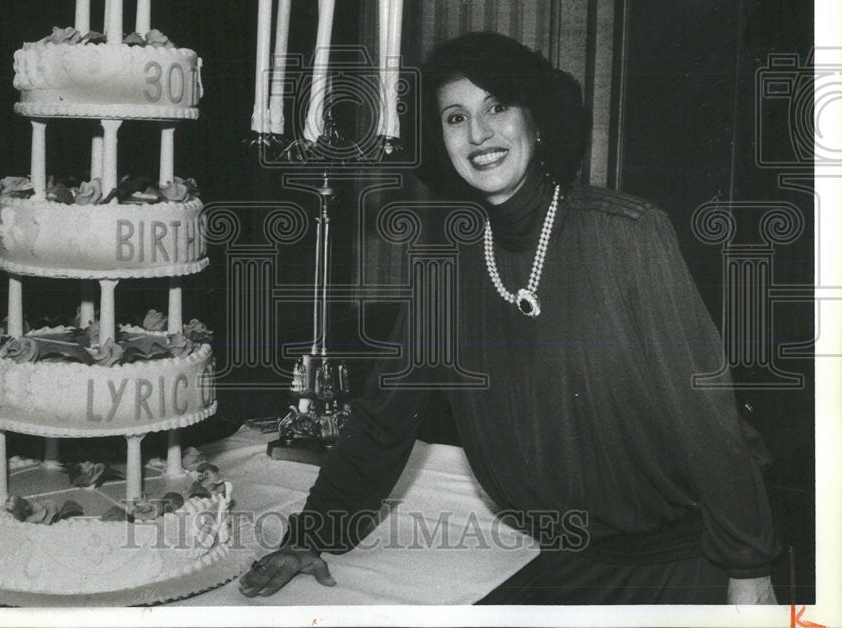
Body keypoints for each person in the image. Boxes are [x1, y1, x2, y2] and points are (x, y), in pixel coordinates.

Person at [239, 32, 780, 604]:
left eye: (497, 106)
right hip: (557, 565)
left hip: (683, 566)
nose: (478, 134)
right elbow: (381, 422)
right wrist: (311, 536)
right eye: (455, 117)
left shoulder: (627, 235)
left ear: (537, 121)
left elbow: (708, 415)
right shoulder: (445, 274)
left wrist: (749, 571)